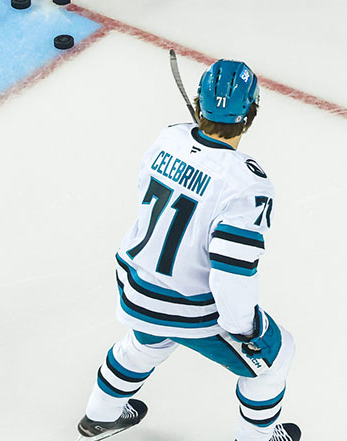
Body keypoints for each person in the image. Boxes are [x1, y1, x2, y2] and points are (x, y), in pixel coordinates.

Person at [76, 59, 300, 441]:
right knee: (274, 360)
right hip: (185, 305)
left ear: (199, 104)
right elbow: (232, 271)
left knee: (146, 342)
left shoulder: (169, 137)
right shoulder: (247, 184)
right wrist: (245, 329)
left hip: (135, 283)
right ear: (252, 114)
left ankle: (99, 415)